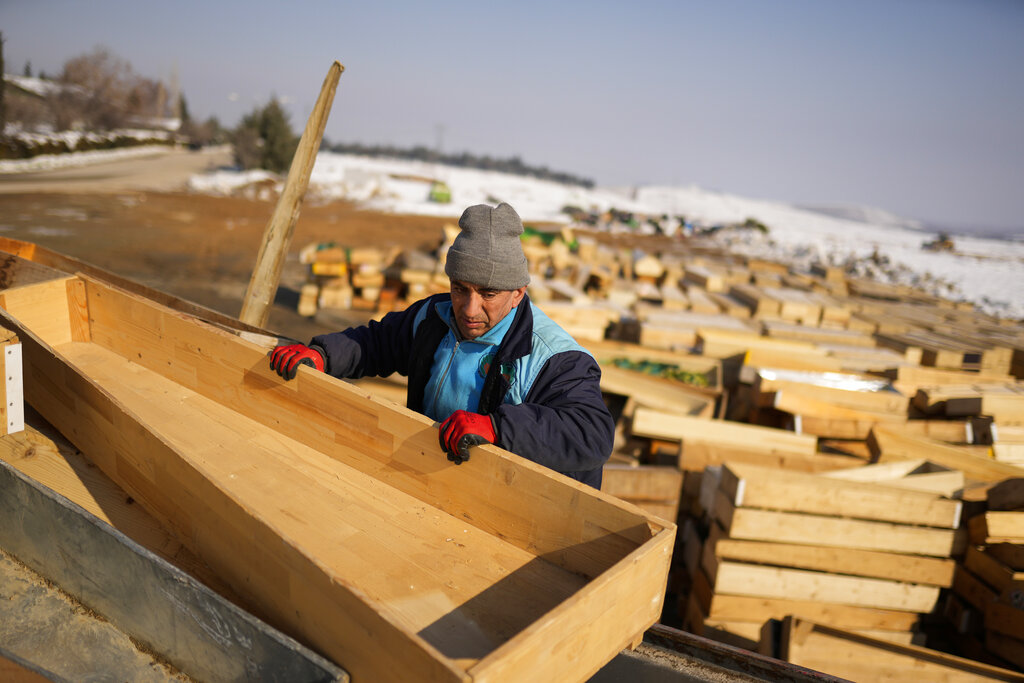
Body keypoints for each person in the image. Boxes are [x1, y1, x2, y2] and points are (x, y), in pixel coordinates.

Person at [270, 202, 614, 489]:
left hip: (518, 512)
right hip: (437, 483)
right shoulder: (433, 318)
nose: (469, 308)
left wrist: (497, 428)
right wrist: (324, 354)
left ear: (518, 294)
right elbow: (377, 343)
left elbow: (591, 432)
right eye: (460, 288)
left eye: (488, 294)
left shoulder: (554, 357)